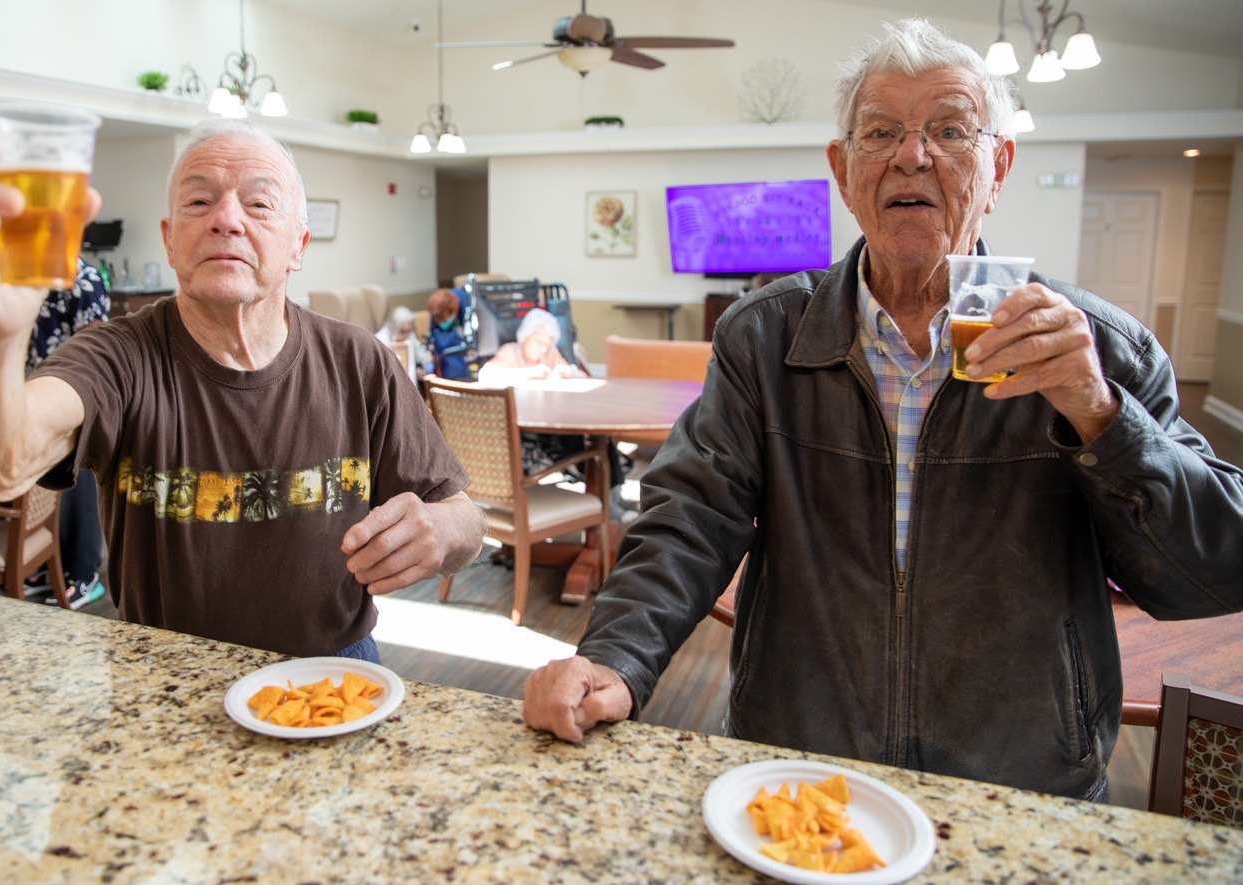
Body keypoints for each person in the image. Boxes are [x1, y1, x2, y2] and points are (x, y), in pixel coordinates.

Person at [523, 18, 1243, 801]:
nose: (912, 154)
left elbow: (1207, 572)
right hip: (801, 768)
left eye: (949, 130)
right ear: (843, 168)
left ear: (998, 165)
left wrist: (1101, 417)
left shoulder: (1098, 349)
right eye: (881, 132)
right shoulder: (765, 337)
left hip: (1017, 780)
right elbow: (689, 518)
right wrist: (615, 655)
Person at [0, 117, 486, 663]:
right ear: (171, 239)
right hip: (165, 676)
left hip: (333, 670)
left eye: (258, 203)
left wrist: (441, 532)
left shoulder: (360, 362)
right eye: (199, 201)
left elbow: (464, 519)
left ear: (298, 246)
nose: (227, 219)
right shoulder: (118, 356)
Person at [20, 255, 110, 610]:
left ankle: (84, 573)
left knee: (76, 487)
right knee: (41, 487)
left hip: (71, 395)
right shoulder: (27, 276)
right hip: (33, 388)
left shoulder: (85, 277)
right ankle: (44, 565)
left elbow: (96, 342)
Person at [479, 309, 629, 516]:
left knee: (602, 441)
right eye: (538, 342)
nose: (543, 349)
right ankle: (607, 504)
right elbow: (486, 376)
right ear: (526, 336)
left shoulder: (549, 354)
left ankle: (612, 496)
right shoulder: (510, 352)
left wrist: (565, 371)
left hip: (554, 422)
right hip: (525, 431)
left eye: (547, 344)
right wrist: (529, 374)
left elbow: (573, 372)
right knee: (594, 448)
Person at [426, 286, 474, 381]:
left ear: (454, 312)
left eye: (445, 319)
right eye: (438, 320)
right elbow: (432, 334)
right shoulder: (438, 305)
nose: (441, 323)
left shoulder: (466, 302)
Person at [375, 305, 431, 378]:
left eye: (409, 330)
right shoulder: (380, 340)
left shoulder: (410, 335)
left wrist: (425, 363)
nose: (406, 335)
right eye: (402, 331)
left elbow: (421, 354)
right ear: (393, 327)